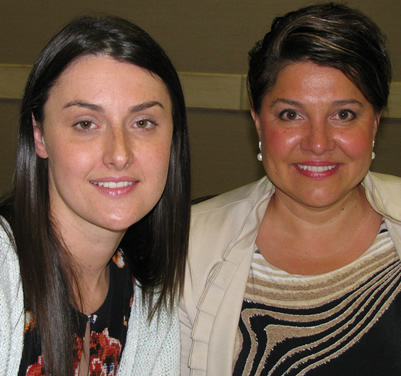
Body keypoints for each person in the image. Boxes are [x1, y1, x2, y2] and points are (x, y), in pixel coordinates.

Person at [180, 3, 401, 375]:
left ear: (376, 122)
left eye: (343, 114)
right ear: (257, 120)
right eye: (291, 115)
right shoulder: (186, 248)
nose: (318, 143)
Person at [0, 15, 190, 376]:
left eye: (143, 123)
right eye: (86, 123)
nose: (119, 154)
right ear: (39, 136)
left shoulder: (147, 299)